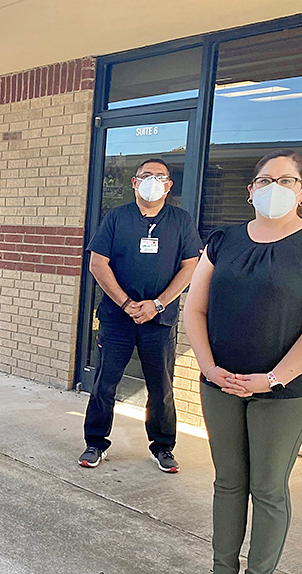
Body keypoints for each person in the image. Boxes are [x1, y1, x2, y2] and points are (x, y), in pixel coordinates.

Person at [184, 149, 302, 574]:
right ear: (250, 189)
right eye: (263, 179)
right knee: (229, 481)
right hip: (221, 383)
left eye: (285, 179)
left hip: (287, 391)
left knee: (268, 486)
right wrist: (210, 368)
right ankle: (222, 573)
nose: (272, 187)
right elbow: (194, 309)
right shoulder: (223, 241)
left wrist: (272, 378)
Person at [80, 158, 202, 473]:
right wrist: (125, 303)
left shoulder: (181, 221)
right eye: (145, 176)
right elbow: (98, 263)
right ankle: (95, 443)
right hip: (117, 319)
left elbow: (190, 266)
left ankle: (162, 448)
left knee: (161, 388)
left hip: (159, 322)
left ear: (169, 185)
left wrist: (157, 304)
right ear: (134, 183)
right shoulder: (117, 219)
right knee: (105, 384)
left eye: (159, 176)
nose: (152, 182)